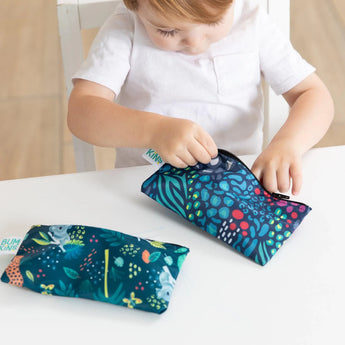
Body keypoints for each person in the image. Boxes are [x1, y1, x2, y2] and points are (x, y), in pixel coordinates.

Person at [68, 0, 334, 196]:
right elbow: (81, 111)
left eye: (212, 23)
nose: (194, 43)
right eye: (168, 31)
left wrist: (287, 145)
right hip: (146, 189)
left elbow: (312, 95)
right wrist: (153, 130)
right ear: (135, 5)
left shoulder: (251, 21)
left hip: (238, 187)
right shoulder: (125, 27)